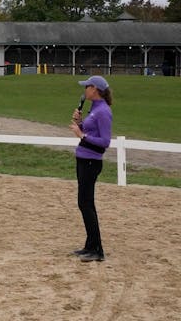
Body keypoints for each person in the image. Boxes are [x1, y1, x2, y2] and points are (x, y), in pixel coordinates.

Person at [69, 75, 113, 262]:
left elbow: (104, 142)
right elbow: (89, 132)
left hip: (91, 162)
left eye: (87, 86)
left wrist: (81, 135)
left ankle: (97, 250)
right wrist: (80, 123)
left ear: (95, 89)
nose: (84, 89)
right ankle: (90, 245)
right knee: (85, 203)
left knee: (86, 204)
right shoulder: (94, 109)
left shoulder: (103, 111)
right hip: (84, 160)